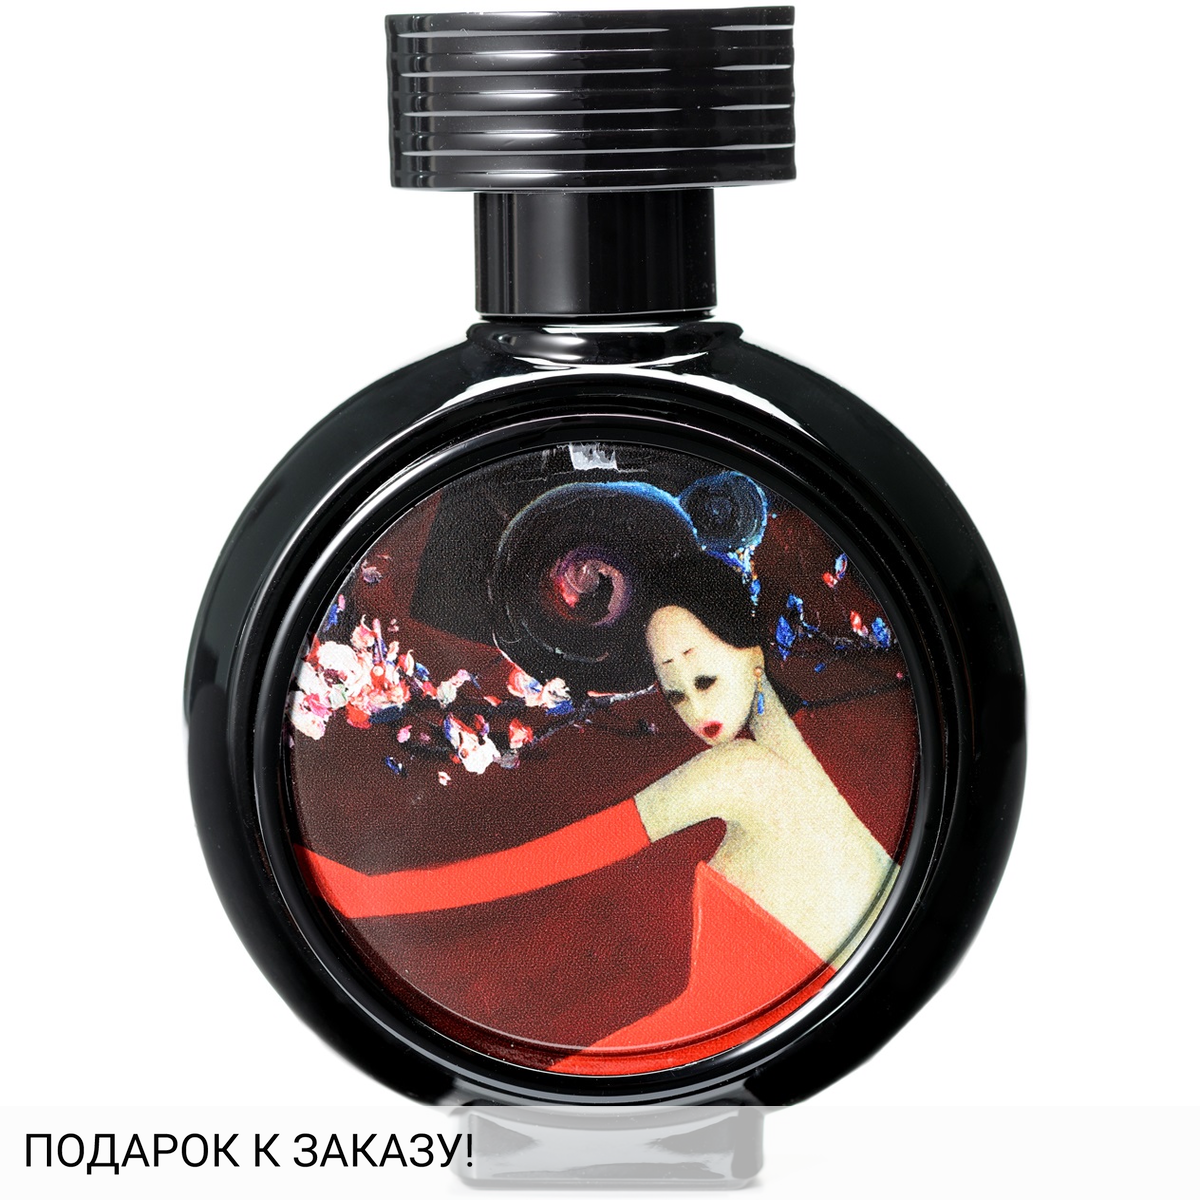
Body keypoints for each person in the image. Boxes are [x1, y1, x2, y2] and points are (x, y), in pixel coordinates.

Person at [296, 549, 899, 1075]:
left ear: (754, 659)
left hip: (706, 1055)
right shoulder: (805, 784)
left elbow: (560, 857)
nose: (695, 712)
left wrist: (376, 894)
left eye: (705, 679)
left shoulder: (740, 771)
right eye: (674, 692)